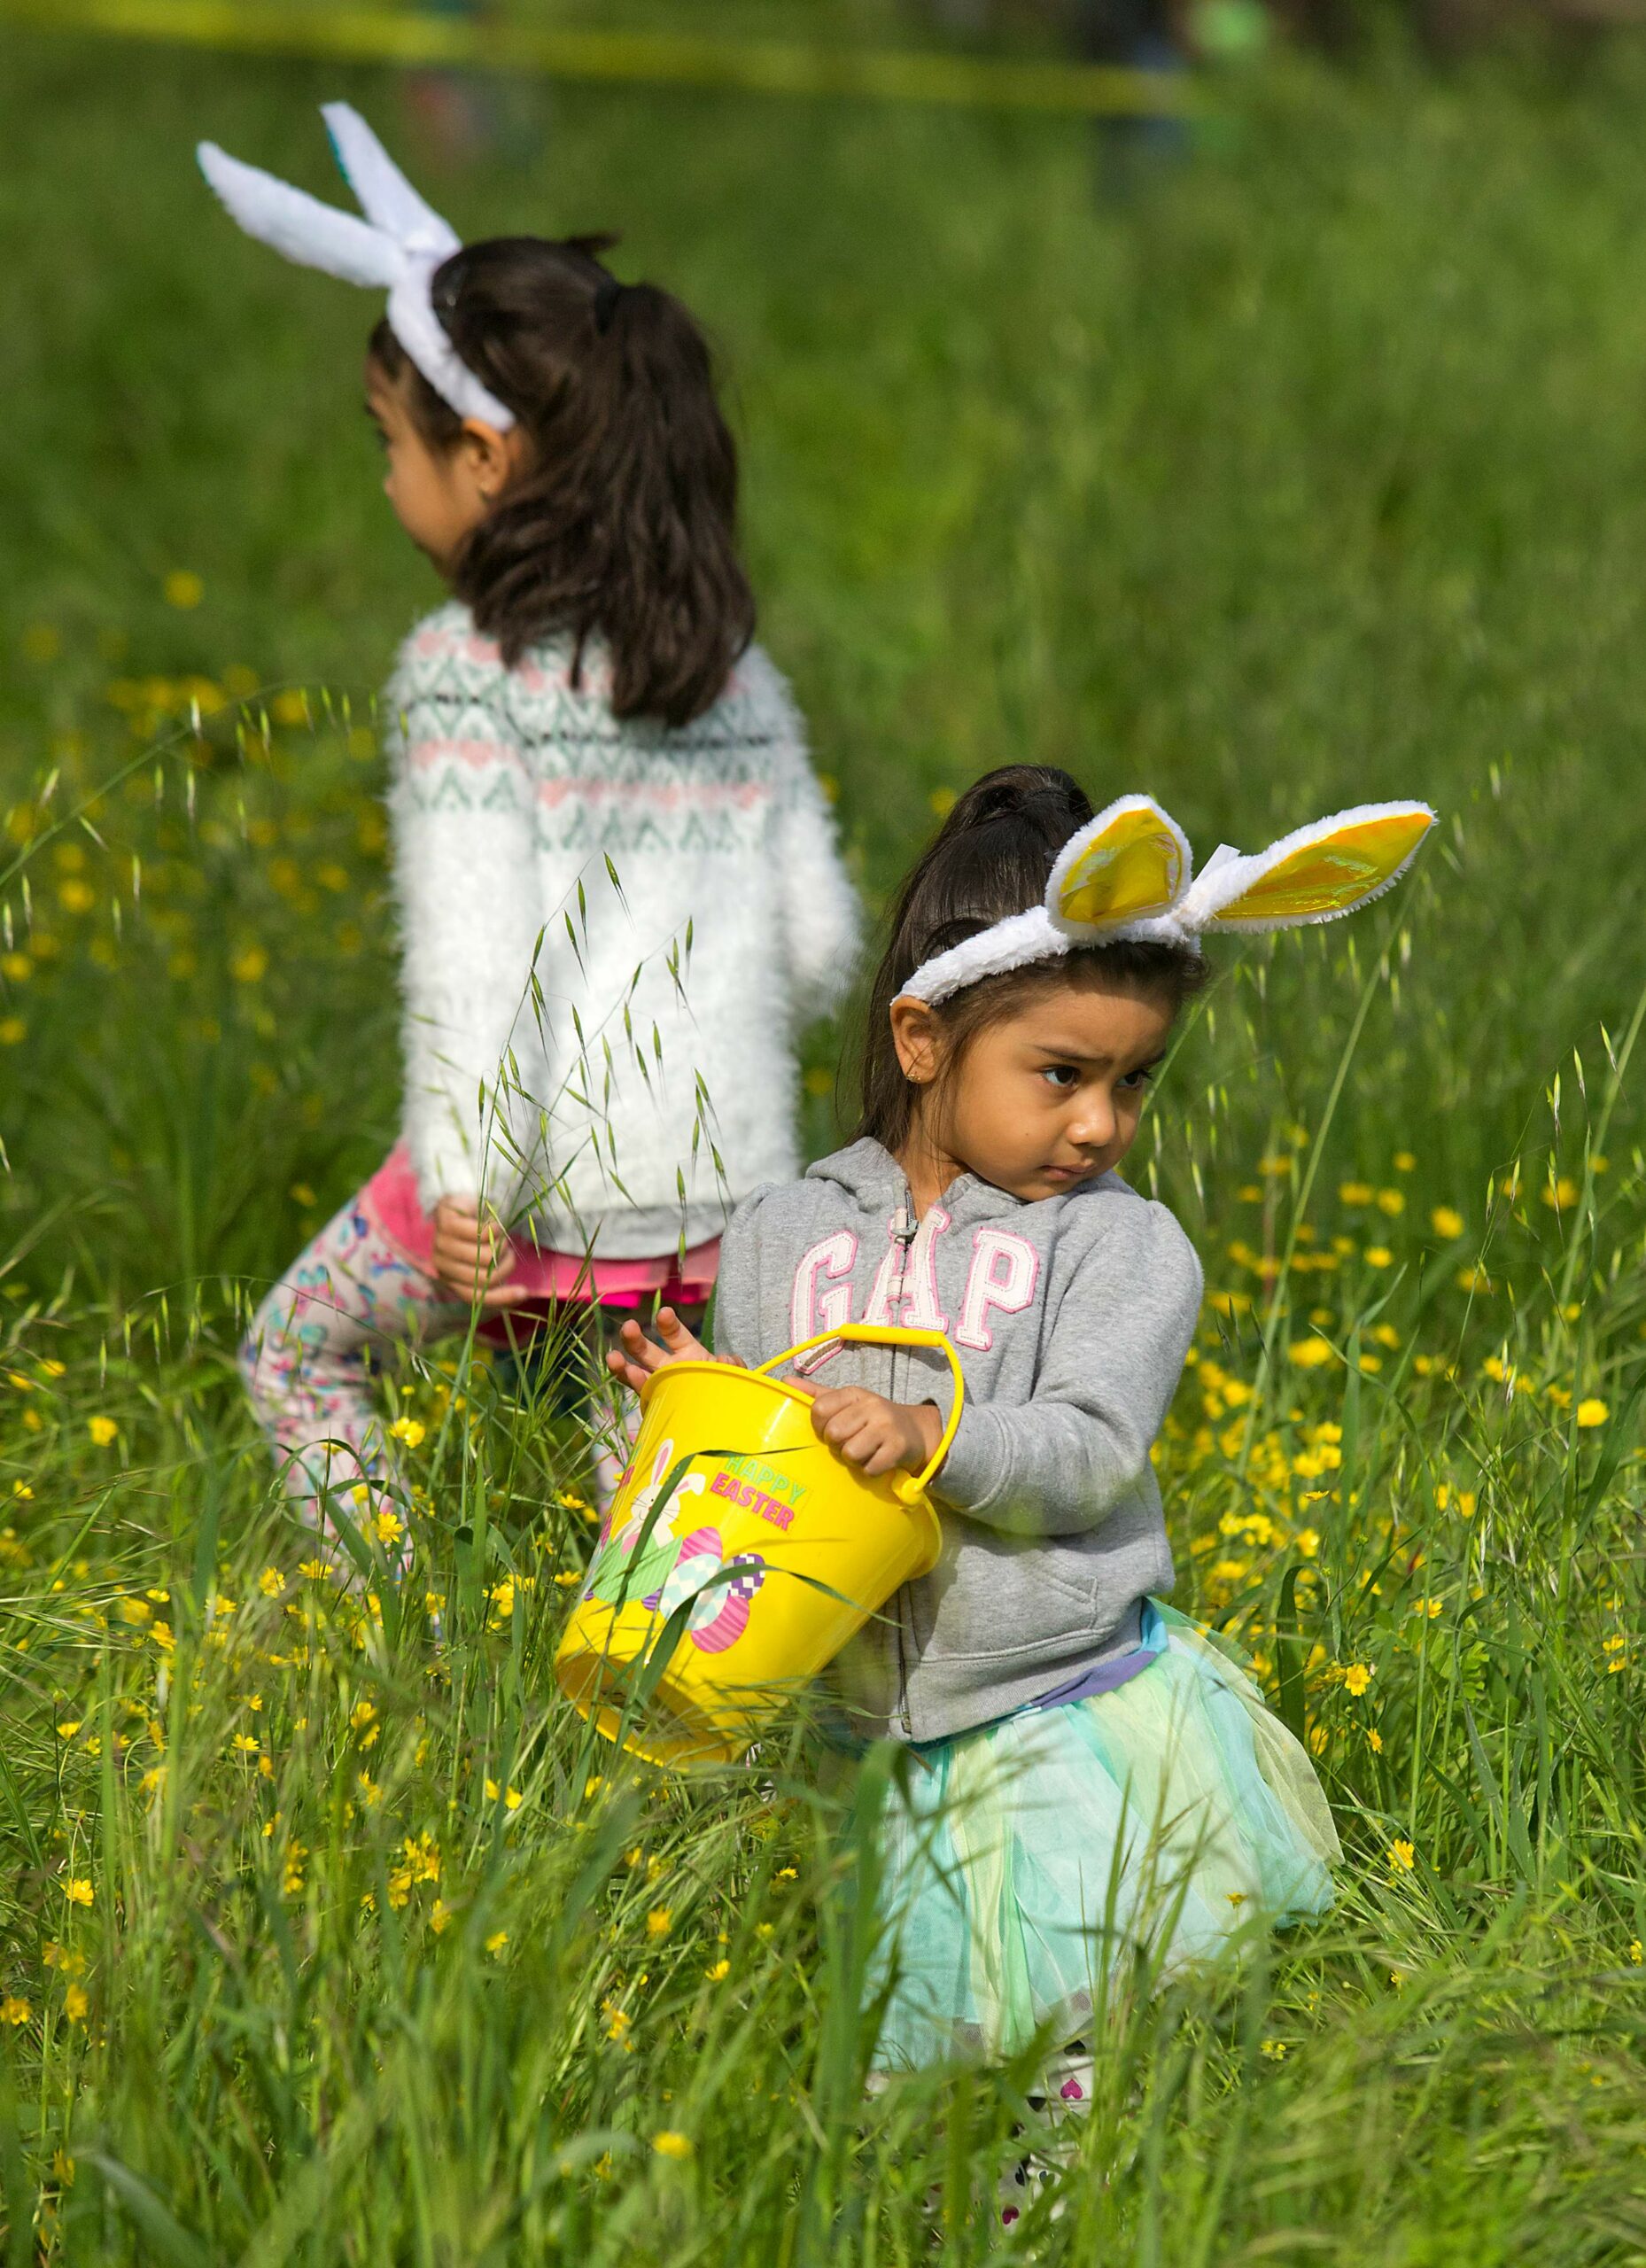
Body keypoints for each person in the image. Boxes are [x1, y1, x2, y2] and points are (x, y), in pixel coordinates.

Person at [607, 765, 1432, 2218]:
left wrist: (932, 1436)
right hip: (856, 1730)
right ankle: (911, 2226)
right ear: (922, 1039)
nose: (1102, 1122)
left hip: (1046, 1725)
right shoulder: (781, 1229)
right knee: (894, 2059)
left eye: (1132, 1081)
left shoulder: (1121, 1252)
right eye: (1063, 1074)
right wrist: (676, 1425)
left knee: (1056, 2049)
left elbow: (1088, 1449)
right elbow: (752, 1474)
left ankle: (1047, 2232)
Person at [198, 105, 858, 1536]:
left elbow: (473, 954)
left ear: (485, 461)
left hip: (525, 1189)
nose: (387, 478)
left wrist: (465, 1180)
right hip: (721, 1194)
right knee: (656, 1528)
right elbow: (813, 944)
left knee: (301, 1353)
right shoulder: (732, 678)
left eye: (394, 443)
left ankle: (399, 1631)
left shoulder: (463, 676)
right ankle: (679, 1731)